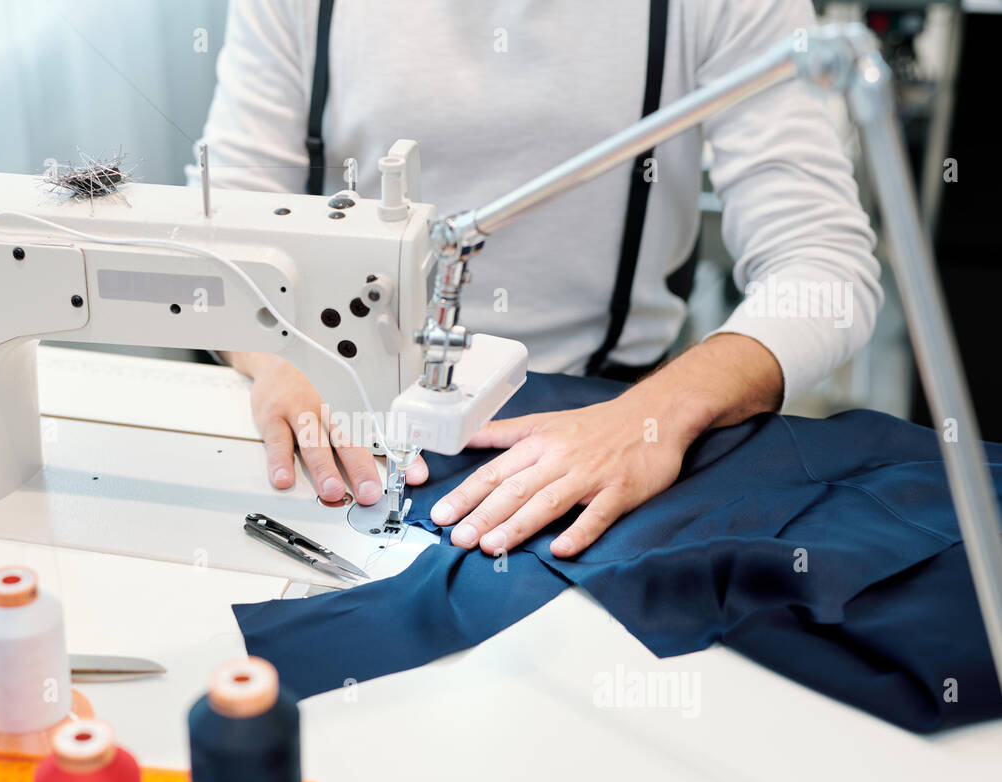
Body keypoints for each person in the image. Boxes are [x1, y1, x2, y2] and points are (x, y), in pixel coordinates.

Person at [188, 0, 881, 558]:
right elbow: (218, 238)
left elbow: (823, 265)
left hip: (607, 412)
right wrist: (273, 359)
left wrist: (657, 414)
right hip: (343, 404)